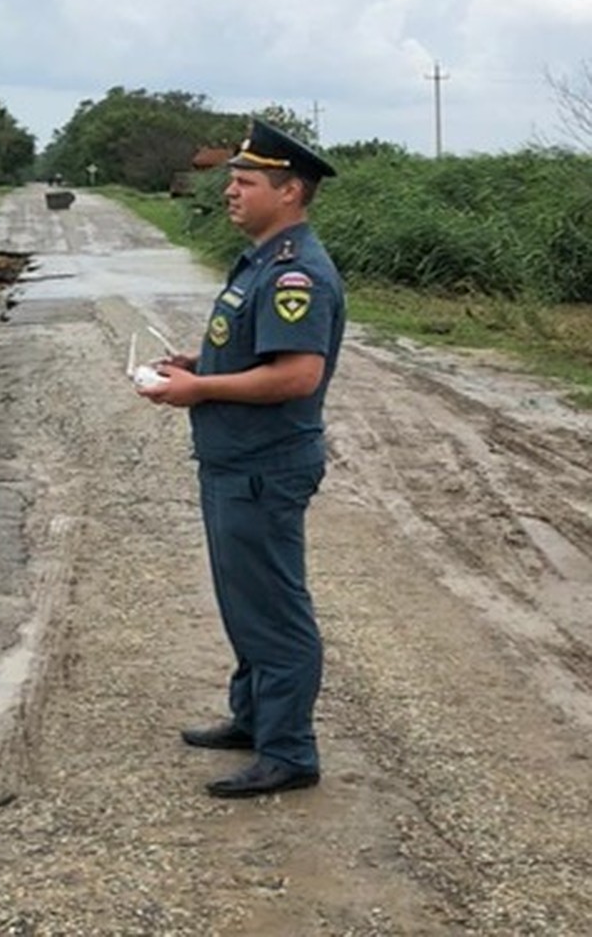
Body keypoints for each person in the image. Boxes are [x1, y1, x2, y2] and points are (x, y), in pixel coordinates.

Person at [138, 116, 346, 799]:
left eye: (245, 181)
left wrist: (199, 388)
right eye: (230, 178)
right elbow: (258, 351)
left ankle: (289, 752)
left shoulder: (296, 274)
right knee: (243, 601)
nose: (230, 191)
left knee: (273, 609)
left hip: (264, 466)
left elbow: (296, 375)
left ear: (289, 193)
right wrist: (204, 362)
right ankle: (255, 719)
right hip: (236, 462)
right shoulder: (261, 260)